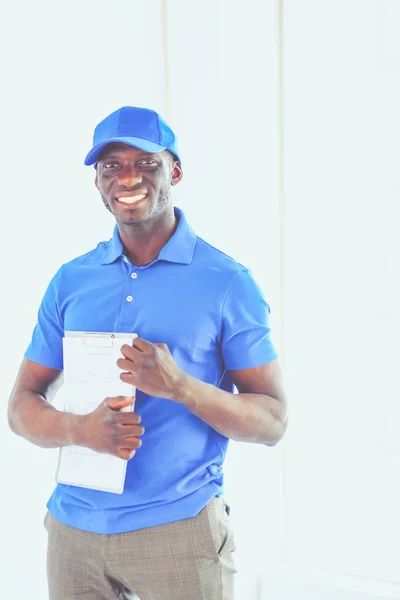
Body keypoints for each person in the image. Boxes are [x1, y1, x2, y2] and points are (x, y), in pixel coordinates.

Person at [7, 105, 288, 600]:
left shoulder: (228, 283)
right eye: (111, 166)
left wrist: (182, 387)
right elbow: (21, 406)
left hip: (177, 530)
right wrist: (78, 430)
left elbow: (272, 421)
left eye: (146, 162)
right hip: (72, 531)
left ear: (175, 171)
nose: (127, 177)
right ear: (97, 181)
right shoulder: (71, 281)